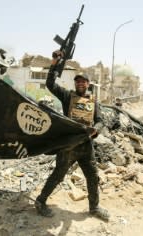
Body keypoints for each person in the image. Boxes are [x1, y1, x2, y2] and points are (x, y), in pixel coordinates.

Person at [34, 50, 109, 220]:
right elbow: (50, 84)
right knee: (58, 175)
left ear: (88, 84)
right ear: (75, 84)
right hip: (68, 145)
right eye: (78, 81)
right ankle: (40, 201)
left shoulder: (93, 102)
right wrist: (54, 63)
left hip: (86, 145)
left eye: (83, 81)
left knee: (92, 176)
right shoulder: (68, 97)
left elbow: (101, 120)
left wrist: (95, 129)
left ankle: (94, 207)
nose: (80, 83)